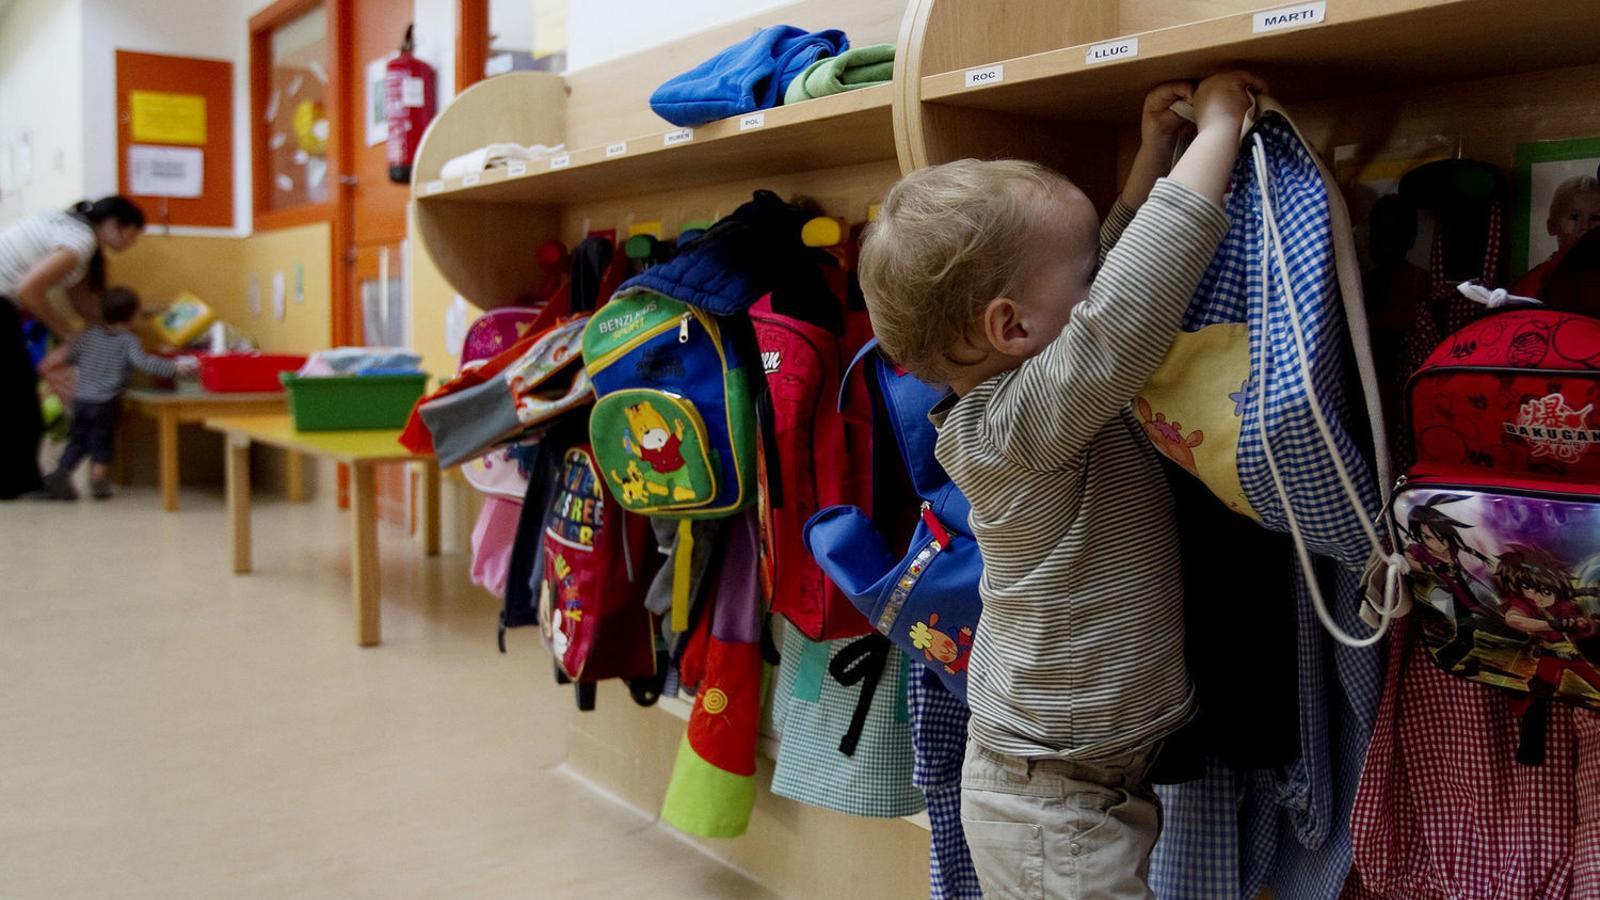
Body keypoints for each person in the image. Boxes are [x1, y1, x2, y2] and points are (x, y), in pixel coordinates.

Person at [856, 71, 1263, 897]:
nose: (1097, 281)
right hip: (1050, 797)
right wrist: (1219, 128)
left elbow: (1094, 286)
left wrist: (1152, 158)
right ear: (1010, 328)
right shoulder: (1016, 428)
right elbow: (1122, 313)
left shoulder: (1026, 379)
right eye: (1082, 278)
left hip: (1076, 763)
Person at [0, 195, 145, 499]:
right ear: (116, 225)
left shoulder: (72, 233)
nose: (133, 244)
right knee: (20, 399)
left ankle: (23, 482)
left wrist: (129, 319)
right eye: (134, 235)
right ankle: (18, 483)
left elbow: (85, 305)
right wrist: (63, 332)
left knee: (20, 396)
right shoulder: (79, 242)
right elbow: (29, 289)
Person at [37, 288, 193, 500]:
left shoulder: (89, 335)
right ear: (133, 316)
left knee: (78, 438)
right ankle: (98, 481)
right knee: (102, 440)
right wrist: (174, 368)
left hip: (82, 399)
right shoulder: (128, 340)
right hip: (105, 402)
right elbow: (143, 362)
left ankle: (61, 473)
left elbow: (72, 356)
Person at [1512, 174, 1600, 297]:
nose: (1585, 226)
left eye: (1595, 218)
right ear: (1552, 226)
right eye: (1574, 217)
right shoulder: (1539, 279)